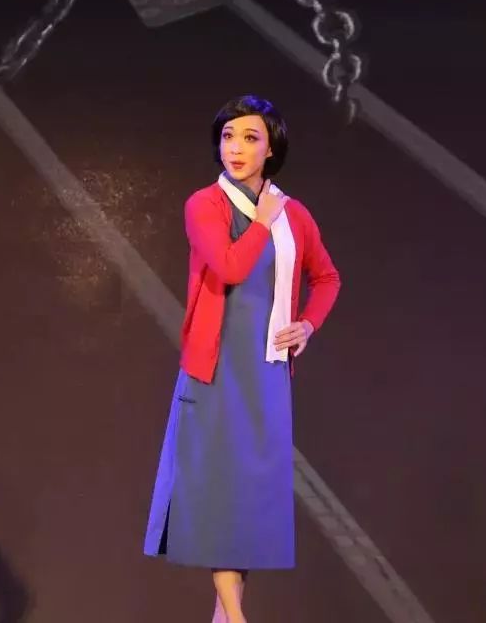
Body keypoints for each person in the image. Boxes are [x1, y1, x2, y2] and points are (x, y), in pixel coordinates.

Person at [143, 96, 342, 623]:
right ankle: (235, 617)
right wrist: (261, 221)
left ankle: (224, 614)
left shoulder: (292, 213)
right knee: (219, 495)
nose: (236, 147)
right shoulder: (204, 205)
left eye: (250, 137)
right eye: (229, 136)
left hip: (267, 373)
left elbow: (327, 277)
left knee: (249, 501)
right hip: (217, 371)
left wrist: (308, 324)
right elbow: (230, 267)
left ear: (270, 148)